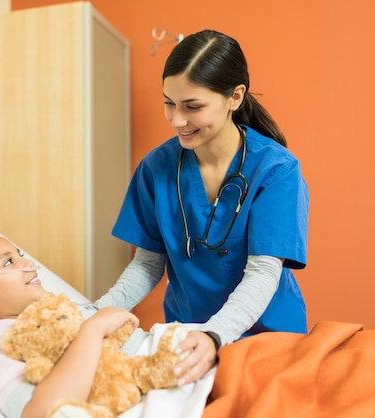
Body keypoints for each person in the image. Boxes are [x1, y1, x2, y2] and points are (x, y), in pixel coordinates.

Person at [95, 29, 309, 385]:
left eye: (192, 106)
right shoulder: (157, 167)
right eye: (169, 103)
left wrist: (215, 335)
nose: (177, 120)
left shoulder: (275, 170)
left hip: (267, 338)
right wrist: (97, 312)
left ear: (235, 97)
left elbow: (263, 273)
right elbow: (148, 264)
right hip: (187, 337)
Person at [0, 233, 145, 418]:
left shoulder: (57, 310)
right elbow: (39, 413)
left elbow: (104, 309)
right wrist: (94, 329)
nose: (28, 263)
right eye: (8, 262)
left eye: (20, 255)